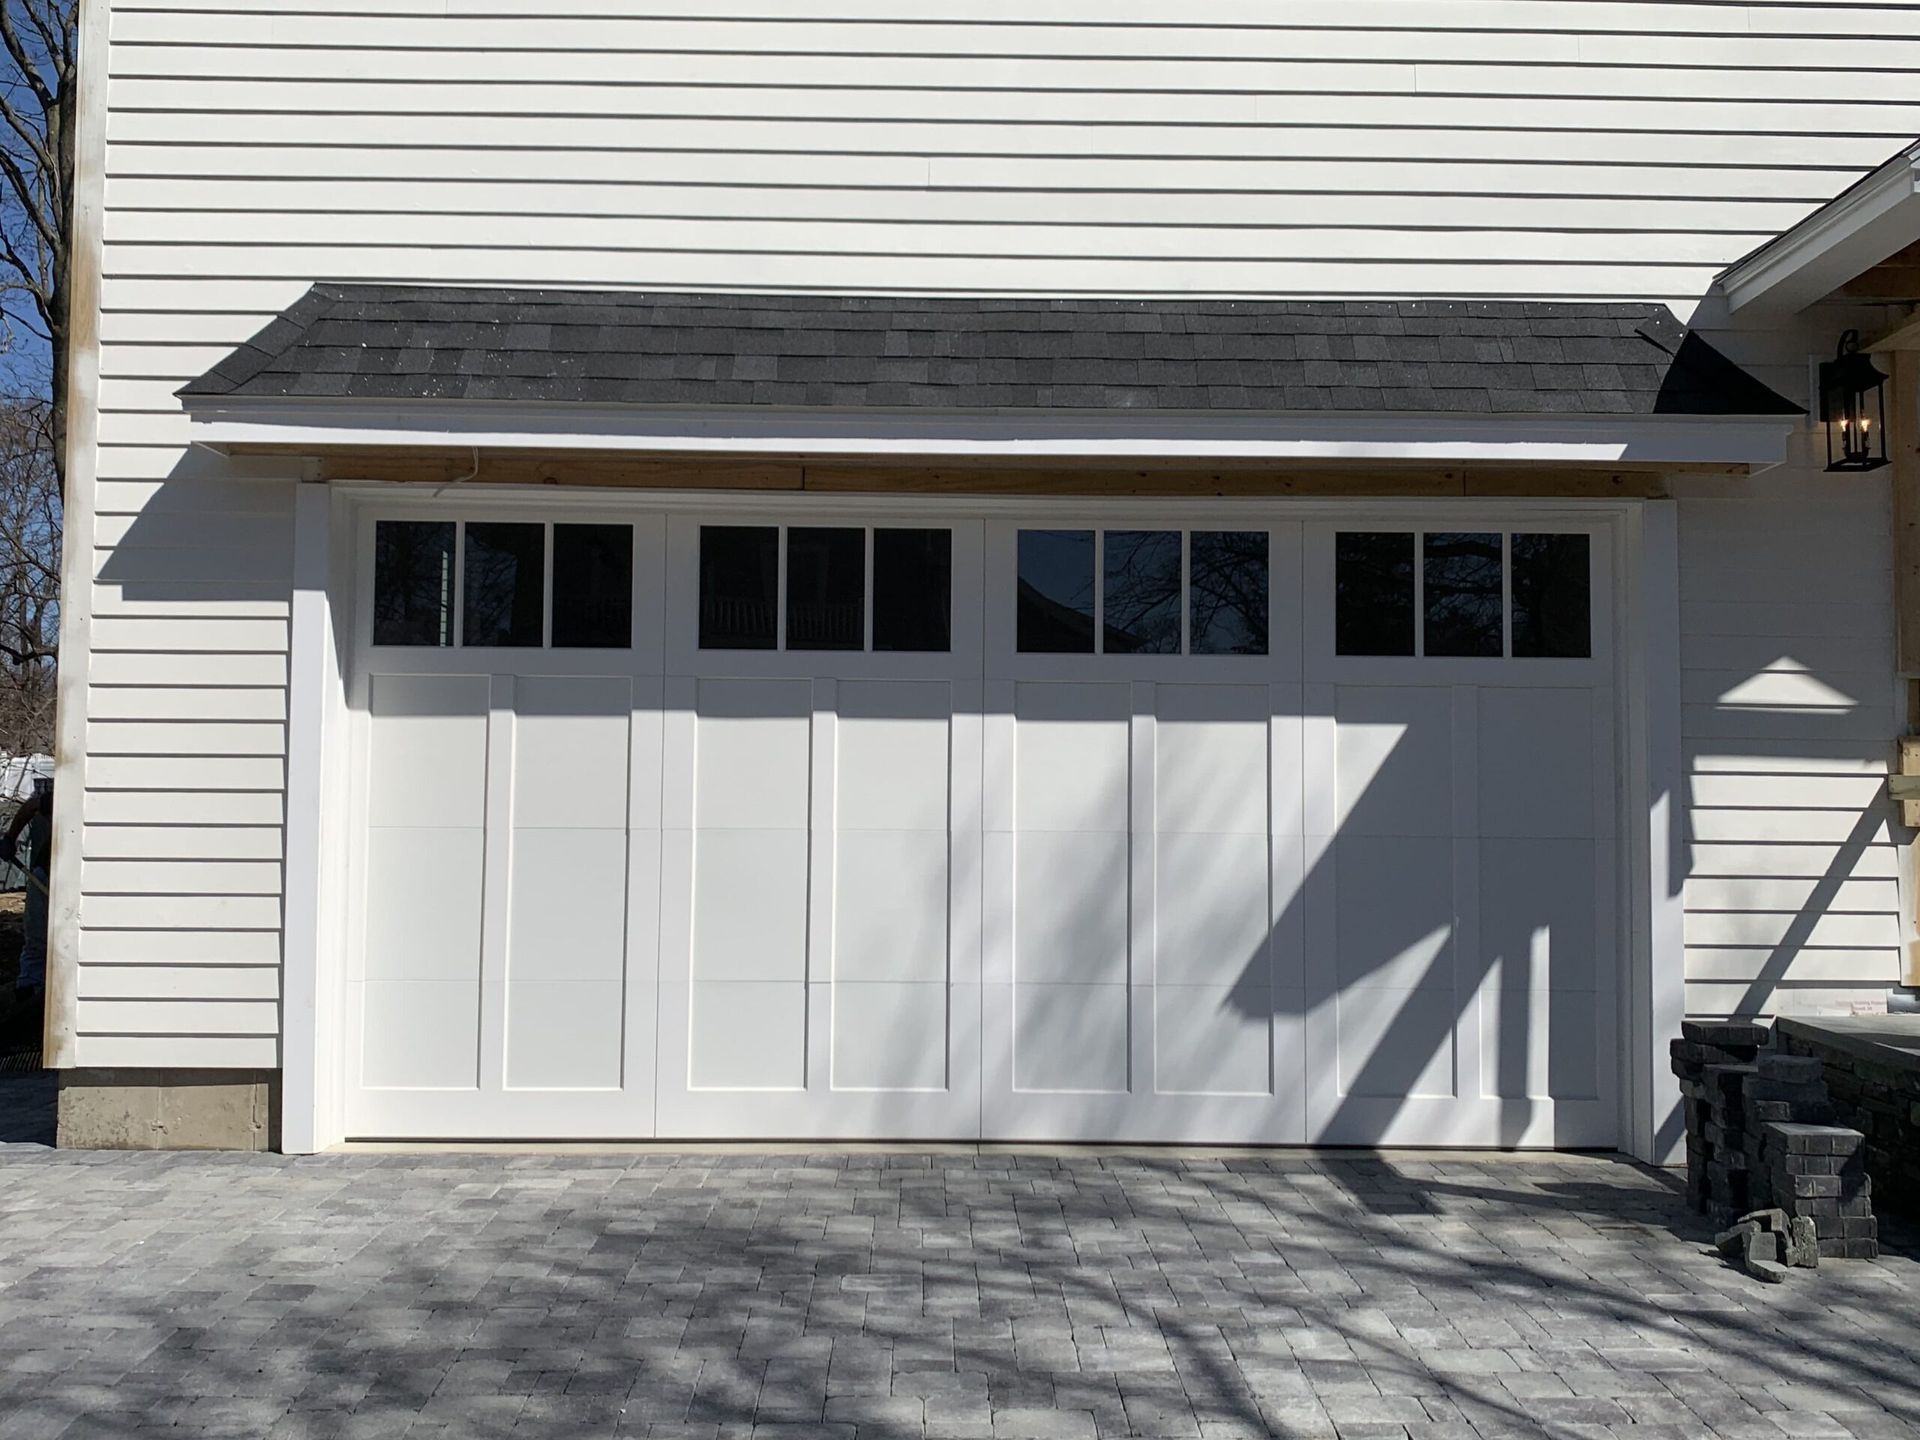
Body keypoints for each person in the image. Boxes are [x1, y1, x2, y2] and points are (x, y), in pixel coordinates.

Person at [1, 776, 50, 1039]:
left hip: (73, 879)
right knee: (38, 936)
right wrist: (10, 838)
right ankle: (28, 989)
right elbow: (32, 805)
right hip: (46, 873)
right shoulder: (61, 801)